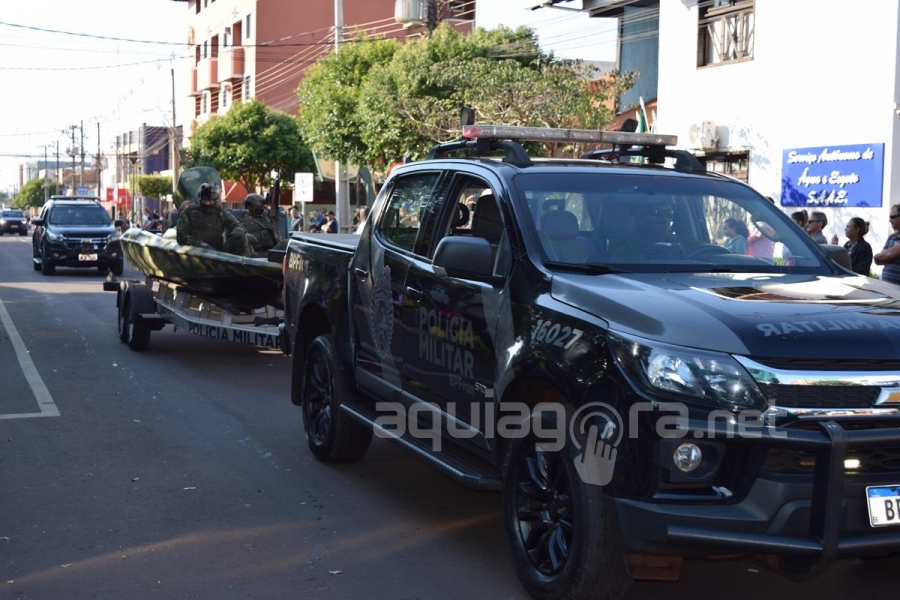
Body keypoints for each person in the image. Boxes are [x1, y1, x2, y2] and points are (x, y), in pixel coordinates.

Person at [176, 183, 245, 251]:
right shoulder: (189, 212)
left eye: (211, 200)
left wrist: (238, 229)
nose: (208, 203)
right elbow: (181, 236)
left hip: (218, 251)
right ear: (200, 198)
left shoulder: (220, 212)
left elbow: (237, 225)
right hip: (197, 250)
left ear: (216, 200)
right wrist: (201, 244)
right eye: (205, 200)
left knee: (242, 238)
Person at [874, 204, 900, 285]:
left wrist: (884, 254)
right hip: (887, 286)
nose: (890, 220)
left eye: (892, 217)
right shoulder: (892, 237)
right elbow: (877, 260)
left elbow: (889, 256)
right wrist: (892, 250)